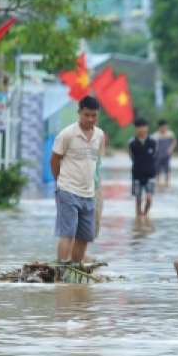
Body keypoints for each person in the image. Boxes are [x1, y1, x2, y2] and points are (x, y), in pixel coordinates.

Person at [50, 96, 105, 263]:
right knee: (67, 233)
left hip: (89, 193)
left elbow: (96, 161)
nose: (90, 119)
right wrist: (60, 182)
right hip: (68, 190)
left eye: (94, 115)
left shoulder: (100, 135)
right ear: (79, 112)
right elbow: (54, 160)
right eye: (86, 115)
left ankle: (75, 269)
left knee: (84, 236)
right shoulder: (67, 134)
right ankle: (61, 267)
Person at [129, 117, 157, 216]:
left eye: (143, 126)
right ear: (136, 128)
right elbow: (132, 157)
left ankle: (145, 214)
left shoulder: (153, 142)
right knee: (138, 200)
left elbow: (155, 157)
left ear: (147, 128)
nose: (141, 129)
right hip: (137, 174)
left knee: (149, 198)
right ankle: (139, 220)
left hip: (150, 174)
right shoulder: (132, 143)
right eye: (139, 127)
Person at [153, 120, 177, 188]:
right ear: (159, 127)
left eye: (165, 126)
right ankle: (157, 184)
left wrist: (171, 148)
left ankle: (167, 184)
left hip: (167, 155)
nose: (164, 128)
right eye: (163, 127)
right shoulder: (155, 135)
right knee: (157, 171)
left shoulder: (170, 134)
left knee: (167, 170)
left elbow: (174, 142)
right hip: (158, 156)